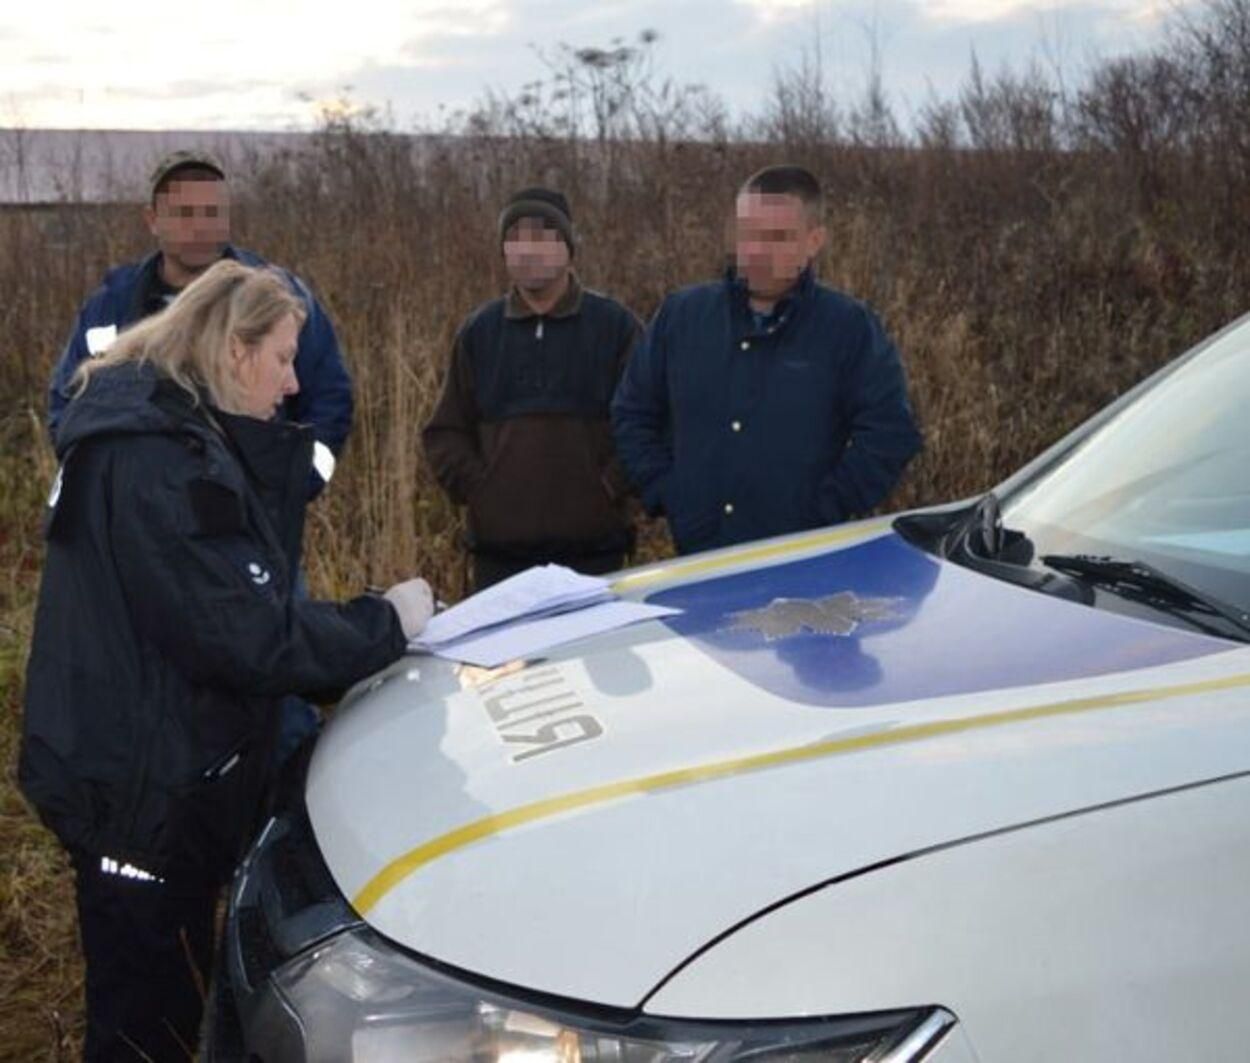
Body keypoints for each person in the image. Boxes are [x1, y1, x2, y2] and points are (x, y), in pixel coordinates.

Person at [19, 260, 433, 1062]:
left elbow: (226, 611)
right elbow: (246, 634)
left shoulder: (154, 435)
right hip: (138, 799)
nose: (288, 386)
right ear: (232, 350)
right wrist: (388, 621)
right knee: (148, 1024)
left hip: (140, 778)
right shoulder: (158, 460)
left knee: (164, 993)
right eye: (281, 359)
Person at [611, 164, 923, 555]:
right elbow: (632, 412)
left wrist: (822, 512)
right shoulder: (683, 316)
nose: (757, 251)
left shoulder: (848, 327)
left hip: (799, 563)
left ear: (814, 241)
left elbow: (891, 434)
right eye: (748, 235)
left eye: (777, 238)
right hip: (698, 558)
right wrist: (667, 492)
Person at [47, 148, 353, 500]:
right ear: (152, 219)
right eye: (184, 214)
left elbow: (330, 398)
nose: (199, 227)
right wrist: (105, 484)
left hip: (250, 515)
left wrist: (294, 484)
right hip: (139, 518)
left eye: (212, 213)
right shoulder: (111, 306)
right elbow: (67, 403)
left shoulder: (276, 299)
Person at [423, 186, 641, 590]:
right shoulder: (480, 332)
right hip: (500, 563)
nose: (528, 250)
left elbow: (647, 423)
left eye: (542, 237)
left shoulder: (614, 327)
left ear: (568, 247)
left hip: (596, 557)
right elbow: (445, 432)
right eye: (516, 238)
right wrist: (483, 490)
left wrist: (607, 487)